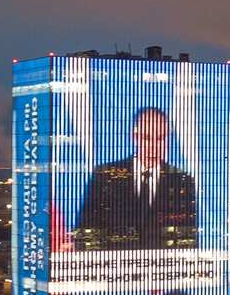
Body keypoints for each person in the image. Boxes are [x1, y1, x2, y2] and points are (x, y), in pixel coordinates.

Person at [72, 106, 196, 251]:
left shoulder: (182, 180)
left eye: (160, 138)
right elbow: (86, 230)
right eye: (147, 138)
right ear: (134, 136)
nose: (153, 146)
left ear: (168, 138)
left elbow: (186, 240)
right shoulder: (104, 175)